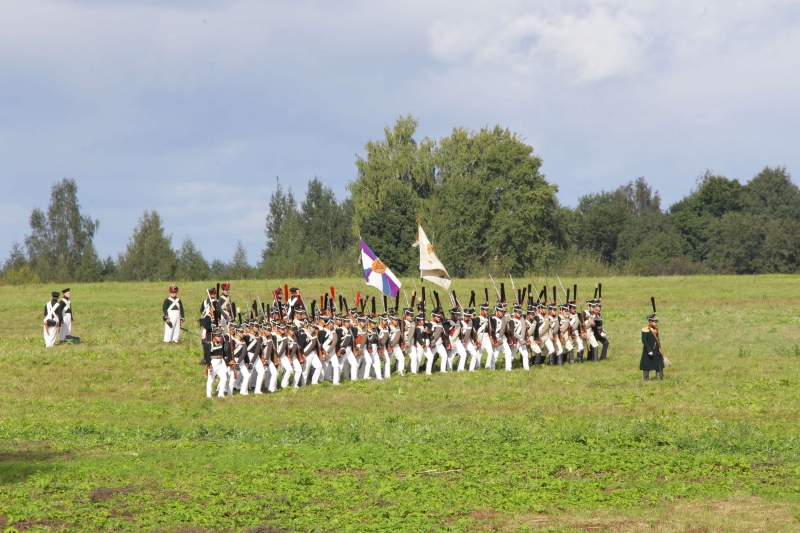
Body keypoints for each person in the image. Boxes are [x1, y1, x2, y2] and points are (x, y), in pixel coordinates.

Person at [640, 314, 664, 380]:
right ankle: (646, 379)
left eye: (657, 321)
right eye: (655, 321)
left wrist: (659, 349)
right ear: (650, 322)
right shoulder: (645, 330)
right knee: (646, 365)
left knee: (659, 364)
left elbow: (658, 341)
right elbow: (644, 341)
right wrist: (649, 350)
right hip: (649, 350)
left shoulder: (655, 330)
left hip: (656, 350)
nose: (656, 323)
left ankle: (660, 378)